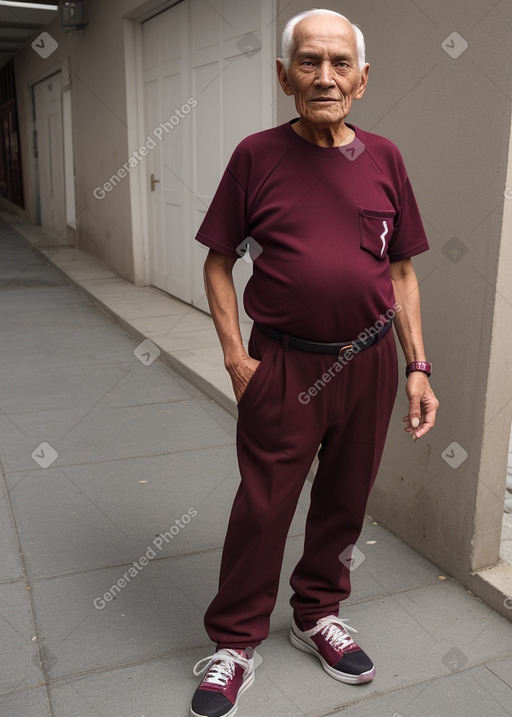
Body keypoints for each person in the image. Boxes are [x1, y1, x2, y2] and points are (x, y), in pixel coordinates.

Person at [189, 8, 439, 717]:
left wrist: (418, 365)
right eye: (308, 62)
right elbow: (217, 262)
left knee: (344, 499)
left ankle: (315, 614)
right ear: (283, 75)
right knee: (263, 505)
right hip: (285, 367)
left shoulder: (386, 158)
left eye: (338, 64)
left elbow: (401, 273)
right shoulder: (255, 157)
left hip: (369, 366)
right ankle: (235, 642)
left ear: (362, 79)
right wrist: (238, 357)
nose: (323, 76)